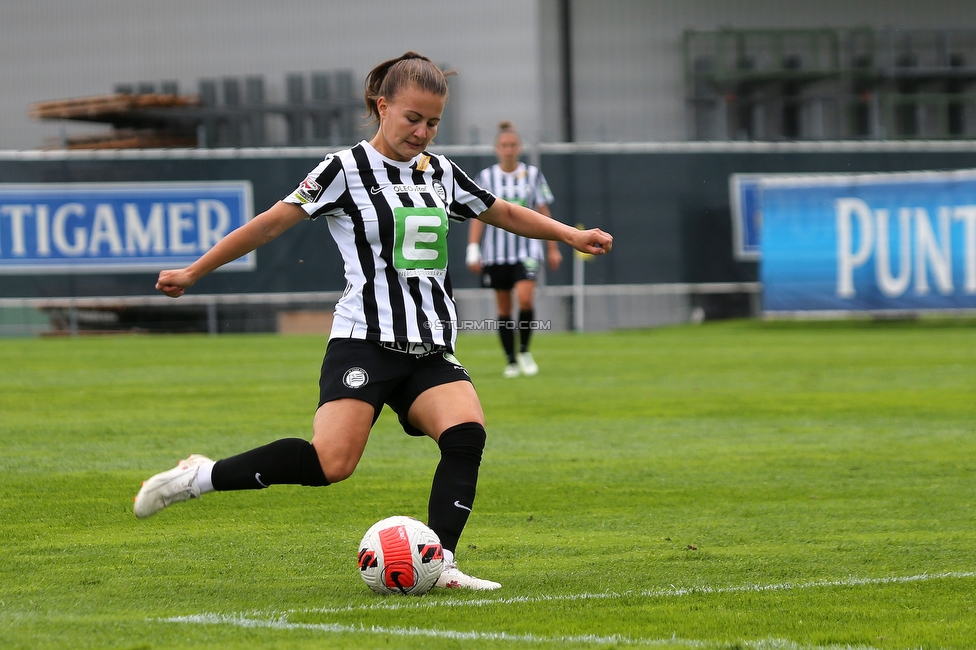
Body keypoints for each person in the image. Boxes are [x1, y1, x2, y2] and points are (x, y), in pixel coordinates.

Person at [133, 52, 612, 591]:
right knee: (330, 463)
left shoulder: (441, 173)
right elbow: (270, 225)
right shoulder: (343, 170)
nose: (423, 131)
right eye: (413, 118)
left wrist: (569, 234)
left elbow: (500, 211)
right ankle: (198, 476)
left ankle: (440, 563)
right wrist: (196, 271)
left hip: (429, 347)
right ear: (382, 107)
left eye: (433, 122)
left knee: (466, 435)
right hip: (364, 343)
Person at [466, 121, 562, 378]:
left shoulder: (532, 175)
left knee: (526, 297)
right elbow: (477, 214)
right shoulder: (486, 177)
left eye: (513, 145)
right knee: (504, 308)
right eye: (504, 146)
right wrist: (473, 248)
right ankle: (510, 360)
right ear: (497, 148)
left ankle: (525, 350)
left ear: (519, 148)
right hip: (496, 252)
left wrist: (553, 248)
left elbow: (544, 212)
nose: (508, 150)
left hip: (527, 249)